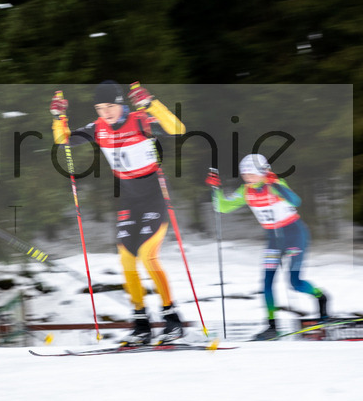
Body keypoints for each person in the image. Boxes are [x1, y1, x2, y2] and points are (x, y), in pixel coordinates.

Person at [50, 81, 187, 345]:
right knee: (126, 261)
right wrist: (59, 117)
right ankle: (141, 325)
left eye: (110, 106)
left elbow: (177, 129)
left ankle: (172, 320)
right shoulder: (97, 127)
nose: (106, 112)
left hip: (153, 198)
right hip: (127, 201)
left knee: (148, 256)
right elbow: (63, 141)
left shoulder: (140, 120)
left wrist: (151, 104)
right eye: (100, 108)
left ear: (121, 103)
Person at [207, 154, 328, 341]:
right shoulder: (245, 191)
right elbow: (222, 207)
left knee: (295, 282)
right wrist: (216, 189)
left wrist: (276, 185)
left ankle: (322, 299)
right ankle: (271, 326)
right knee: (266, 283)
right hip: (274, 240)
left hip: (294, 235)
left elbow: (296, 202)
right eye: (245, 175)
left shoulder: (276, 183)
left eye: (252, 174)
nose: (248, 178)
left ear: (263, 173)